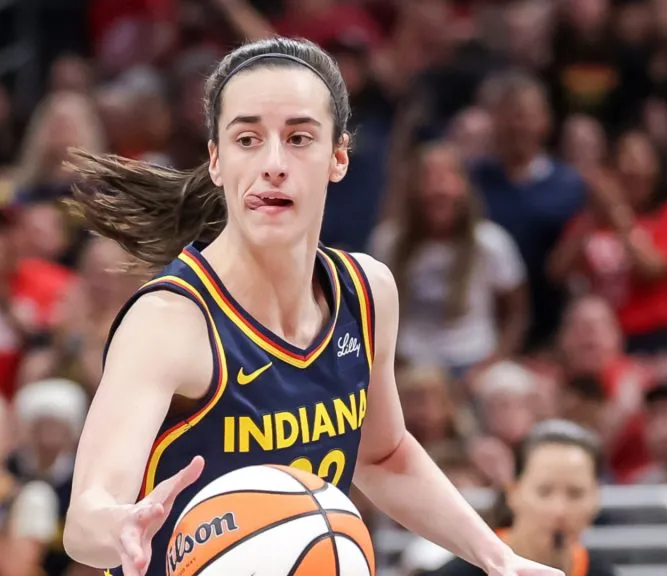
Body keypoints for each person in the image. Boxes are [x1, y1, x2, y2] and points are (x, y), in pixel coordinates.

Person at [62, 37, 560, 576]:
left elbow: (384, 456)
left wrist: (498, 559)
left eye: (299, 138)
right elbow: (86, 517)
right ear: (216, 160)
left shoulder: (367, 291)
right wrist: (118, 527)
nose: (273, 163)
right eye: (247, 139)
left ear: (338, 157)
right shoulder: (171, 320)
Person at [424, 420, 617, 576]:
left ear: (596, 498)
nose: (559, 510)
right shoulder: (461, 571)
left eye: (576, 493)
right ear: (513, 492)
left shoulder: (601, 571)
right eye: (544, 491)